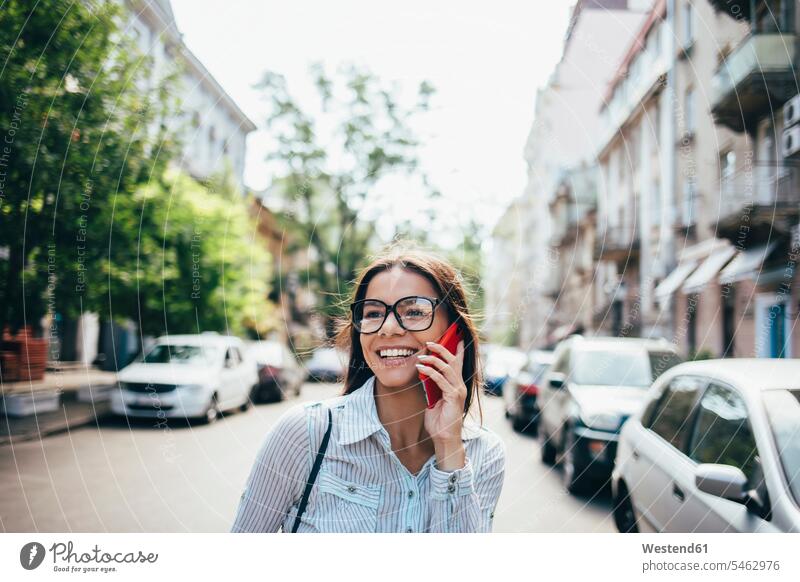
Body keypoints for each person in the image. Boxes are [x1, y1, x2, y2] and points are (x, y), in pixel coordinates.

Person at [231, 246, 505, 532]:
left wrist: (449, 447)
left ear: (454, 332)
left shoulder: (484, 454)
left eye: (414, 311)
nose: (387, 328)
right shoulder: (305, 432)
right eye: (373, 313)